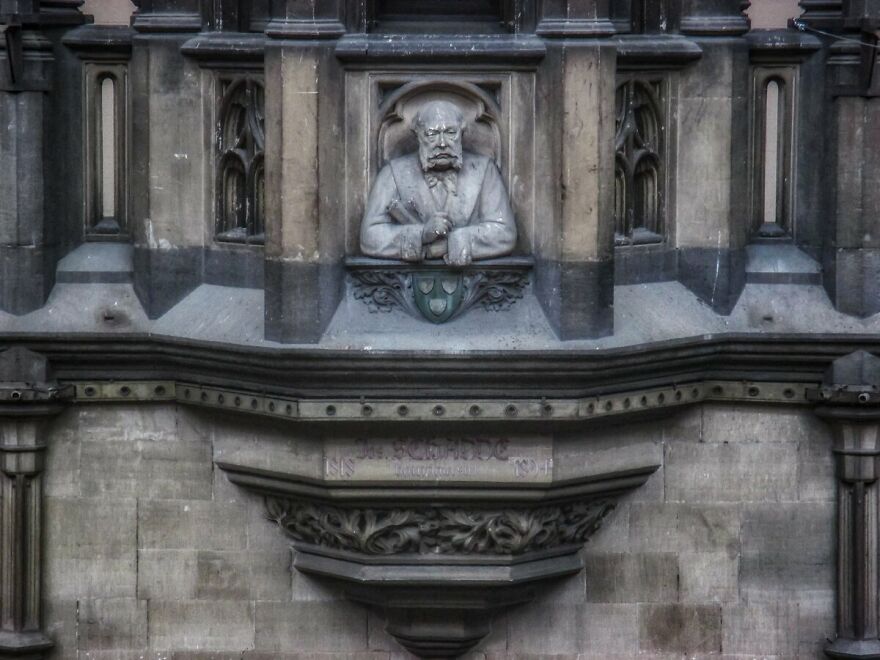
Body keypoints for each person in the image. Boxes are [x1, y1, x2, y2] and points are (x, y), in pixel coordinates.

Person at [360, 99, 517, 266]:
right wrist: (420, 235)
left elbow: (504, 232)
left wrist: (458, 240)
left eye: (450, 133)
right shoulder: (393, 172)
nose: (442, 143)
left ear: (461, 133)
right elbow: (370, 237)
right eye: (432, 134)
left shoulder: (485, 170)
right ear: (418, 135)